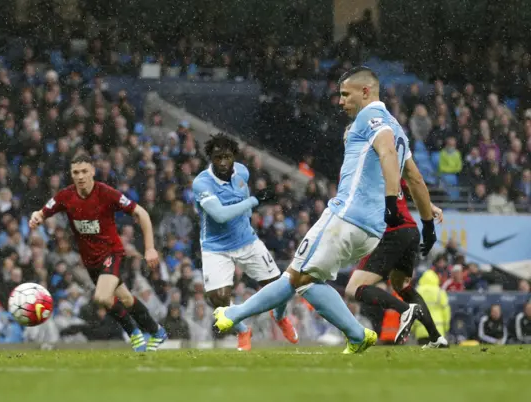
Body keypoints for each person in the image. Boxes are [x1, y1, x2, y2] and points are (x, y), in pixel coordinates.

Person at [214, 66, 411, 354]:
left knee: (300, 281)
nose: (341, 101)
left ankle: (235, 315)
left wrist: (393, 201)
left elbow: (387, 151)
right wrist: (427, 214)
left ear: (366, 92)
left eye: (346, 94)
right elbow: (414, 177)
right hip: (372, 229)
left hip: (346, 216)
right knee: (300, 275)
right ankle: (351, 333)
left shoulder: (373, 116)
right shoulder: (397, 127)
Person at [29, 153, 167, 352]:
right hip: (91, 262)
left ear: (93, 171)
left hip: (112, 254)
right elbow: (41, 213)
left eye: (85, 171)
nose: (80, 176)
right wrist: (36, 217)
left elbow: (141, 213)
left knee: (101, 297)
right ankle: (156, 331)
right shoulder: (65, 196)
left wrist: (150, 248)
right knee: (126, 299)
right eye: (76, 172)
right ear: (71, 174)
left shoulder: (106, 193)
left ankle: (134, 333)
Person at [192, 133, 298, 351]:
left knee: (280, 288)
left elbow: (242, 195)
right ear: (210, 158)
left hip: (246, 240)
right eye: (217, 157)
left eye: (227, 157)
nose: (222, 162)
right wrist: (252, 201)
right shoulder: (202, 183)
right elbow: (220, 215)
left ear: (234, 157)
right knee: (219, 300)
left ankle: (280, 317)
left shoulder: (242, 172)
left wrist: (248, 209)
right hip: (216, 247)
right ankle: (243, 330)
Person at [345, 169, 447, 347]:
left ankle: (405, 310)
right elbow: (413, 186)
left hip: (391, 233)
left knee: (353, 288)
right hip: (410, 231)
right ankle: (436, 338)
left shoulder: (360, 166)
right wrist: (431, 207)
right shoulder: (389, 164)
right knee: (402, 286)